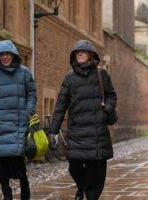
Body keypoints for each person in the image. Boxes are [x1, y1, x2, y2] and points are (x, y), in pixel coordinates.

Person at [50, 39, 117, 200]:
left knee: (97, 168)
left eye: (83, 51)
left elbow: (111, 95)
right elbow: (61, 104)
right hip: (77, 131)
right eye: (76, 52)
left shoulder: (101, 74)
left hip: (96, 130)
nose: (79, 53)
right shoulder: (69, 78)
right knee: (74, 166)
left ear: (91, 55)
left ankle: (91, 196)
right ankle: (81, 187)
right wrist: (53, 130)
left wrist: (105, 110)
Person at [0, 40, 37, 200]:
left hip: (19, 125)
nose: (5, 57)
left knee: (19, 166)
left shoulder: (25, 73)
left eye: (7, 54)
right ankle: (7, 197)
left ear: (13, 55)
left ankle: (25, 196)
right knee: (0, 165)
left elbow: (32, 95)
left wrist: (28, 112)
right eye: (2, 54)